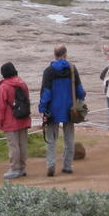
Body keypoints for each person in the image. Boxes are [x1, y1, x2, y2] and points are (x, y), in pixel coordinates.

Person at [38, 45, 86, 177]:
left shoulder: (48, 71)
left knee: (51, 140)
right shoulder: (72, 69)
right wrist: (81, 99)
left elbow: (46, 93)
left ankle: (51, 165)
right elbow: (80, 90)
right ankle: (68, 166)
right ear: (65, 54)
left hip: (52, 110)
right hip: (70, 109)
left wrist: (42, 108)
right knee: (69, 139)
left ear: (55, 55)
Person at [0, 62, 31, 179]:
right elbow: (27, 100)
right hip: (24, 118)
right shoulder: (22, 83)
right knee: (23, 145)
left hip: (10, 121)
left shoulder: (4, 87)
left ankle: (14, 169)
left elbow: (0, 106)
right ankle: (22, 168)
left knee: (13, 146)